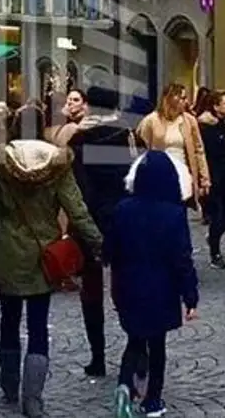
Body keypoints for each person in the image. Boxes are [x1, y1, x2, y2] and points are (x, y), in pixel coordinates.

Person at [0, 105, 103, 418]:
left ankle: (8, 381)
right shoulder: (58, 164)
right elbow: (77, 210)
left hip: (7, 253)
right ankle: (33, 398)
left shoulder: (0, 164)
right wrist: (99, 243)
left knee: (9, 319)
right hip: (43, 255)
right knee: (38, 324)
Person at [107, 151, 199, 418]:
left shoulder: (123, 208)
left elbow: (110, 248)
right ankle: (152, 400)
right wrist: (190, 296)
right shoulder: (173, 214)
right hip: (162, 287)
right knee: (157, 345)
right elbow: (182, 258)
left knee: (135, 338)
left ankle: (125, 384)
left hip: (128, 284)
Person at [65, 86, 136, 378]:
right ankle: (135, 346)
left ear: (91, 107)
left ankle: (97, 357)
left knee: (91, 292)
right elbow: (134, 177)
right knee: (127, 286)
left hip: (89, 220)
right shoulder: (127, 136)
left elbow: (74, 184)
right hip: (122, 219)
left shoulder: (80, 139)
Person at [134, 84, 211, 205]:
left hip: (183, 173)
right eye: (183, 98)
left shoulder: (189, 121)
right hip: (159, 174)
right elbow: (140, 150)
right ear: (172, 99)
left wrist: (204, 179)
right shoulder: (151, 120)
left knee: (180, 209)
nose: (187, 102)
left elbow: (198, 150)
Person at [195, 90, 225, 269]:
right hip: (213, 175)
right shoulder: (206, 126)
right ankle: (215, 251)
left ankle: (214, 238)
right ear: (215, 106)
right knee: (218, 214)